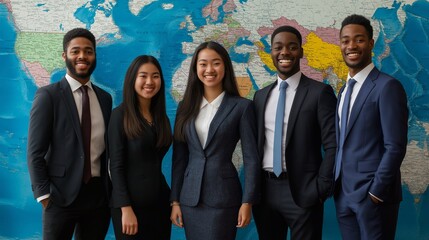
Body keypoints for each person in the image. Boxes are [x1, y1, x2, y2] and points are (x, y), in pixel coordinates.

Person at [252, 25, 337, 240]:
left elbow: (333, 144)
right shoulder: (260, 96)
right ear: (271, 52)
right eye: (278, 47)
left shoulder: (320, 93)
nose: (285, 52)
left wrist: (321, 188)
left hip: (303, 192)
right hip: (265, 193)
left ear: (301, 51)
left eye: (292, 47)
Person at [170, 41, 260, 240]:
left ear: (225, 67)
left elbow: (251, 158)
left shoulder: (242, 107)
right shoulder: (185, 107)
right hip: (190, 199)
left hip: (224, 198)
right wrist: (175, 201)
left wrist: (247, 202)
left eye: (216, 63)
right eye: (203, 64)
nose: (209, 69)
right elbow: (179, 158)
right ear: (196, 68)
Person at [27, 28, 112, 239]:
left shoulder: (105, 98)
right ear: (65, 56)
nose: (82, 56)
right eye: (75, 51)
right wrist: (44, 195)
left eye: (88, 51)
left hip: (98, 198)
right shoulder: (48, 96)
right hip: (59, 197)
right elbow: (35, 152)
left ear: (94, 56)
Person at [333, 14, 408, 240]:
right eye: (345, 41)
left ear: (371, 43)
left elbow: (395, 146)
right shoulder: (343, 91)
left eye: (359, 39)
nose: (351, 46)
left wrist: (375, 192)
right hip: (343, 195)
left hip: (373, 198)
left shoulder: (387, 87)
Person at [108, 55, 172, 239]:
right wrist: (125, 208)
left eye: (155, 76)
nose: (149, 82)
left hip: (160, 205)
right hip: (129, 208)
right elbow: (116, 166)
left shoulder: (161, 118)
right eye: (143, 76)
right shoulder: (119, 116)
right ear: (132, 79)